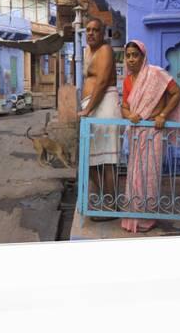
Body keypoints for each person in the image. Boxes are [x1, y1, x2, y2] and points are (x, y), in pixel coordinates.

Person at [120, 40, 180, 233]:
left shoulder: (155, 74)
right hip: (137, 133)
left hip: (154, 133)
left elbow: (177, 92)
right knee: (134, 174)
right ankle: (133, 216)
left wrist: (163, 114)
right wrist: (130, 115)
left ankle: (147, 219)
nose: (131, 59)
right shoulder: (128, 81)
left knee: (149, 174)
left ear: (143, 56)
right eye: (128, 55)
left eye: (135, 55)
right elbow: (124, 107)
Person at [77, 18, 121, 221]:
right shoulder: (88, 51)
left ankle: (111, 207)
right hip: (92, 107)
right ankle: (107, 201)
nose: (91, 33)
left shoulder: (105, 50)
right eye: (88, 30)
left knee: (107, 160)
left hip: (103, 105)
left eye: (96, 30)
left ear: (103, 33)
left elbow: (102, 81)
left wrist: (88, 110)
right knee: (91, 160)